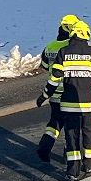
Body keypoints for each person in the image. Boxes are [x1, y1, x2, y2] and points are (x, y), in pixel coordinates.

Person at [54, 21, 91, 181]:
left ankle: (72, 170)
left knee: (71, 136)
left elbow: (55, 75)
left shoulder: (63, 52)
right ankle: (89, 164)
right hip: (88, 103)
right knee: (89, 133)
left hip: (68, 104)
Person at [36, 14, 79, 164]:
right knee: (71, 126)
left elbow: (44, 66)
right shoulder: (71, 47)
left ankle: (45, 146)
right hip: (69, 92)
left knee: (55, 122)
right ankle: (69, 156)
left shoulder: (50, 46)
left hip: (54, 92)